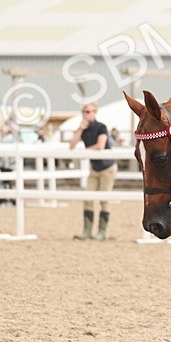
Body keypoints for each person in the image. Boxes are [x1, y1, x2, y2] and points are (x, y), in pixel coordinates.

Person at [69, 103, 116, 240]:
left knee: (104, 199)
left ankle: (102, 232)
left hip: (107, 168)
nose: (85, 114)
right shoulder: (83, 129)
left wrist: (85, 151)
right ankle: (87, 231)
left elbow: (100, 146)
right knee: (87, 198)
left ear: (95, 112)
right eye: (83, 111)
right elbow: (72, 145)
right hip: (94, 168)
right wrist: (79, 129)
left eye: (88, 111)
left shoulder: (101, 127)